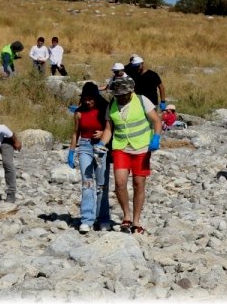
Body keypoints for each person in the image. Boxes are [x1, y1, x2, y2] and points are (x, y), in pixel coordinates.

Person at [100, 73, 163, 234]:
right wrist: (101, 144)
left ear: (130, 91)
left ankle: (136, 220)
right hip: (121, 147)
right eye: (118, 95)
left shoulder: (142, 100)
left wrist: (155, 137)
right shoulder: (112, 105)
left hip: (142, 148)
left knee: (138, 184)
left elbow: (156, 120)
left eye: (123, 95)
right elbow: (108, 129)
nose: (121, 98)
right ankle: (126, 216)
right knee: (120, 183)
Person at [67, 82, 112, 232]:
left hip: (101, 147)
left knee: (101, 184)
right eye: (85, 99)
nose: (88, 102)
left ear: (96, 98)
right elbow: (75, 132)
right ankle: (87, 219)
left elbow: (110, 128)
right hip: (85, 146)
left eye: (91, 99)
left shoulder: (104, 109)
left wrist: (102, 135)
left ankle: (103, 218)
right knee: (87, 183)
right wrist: (72, 151)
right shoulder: (79, 113)